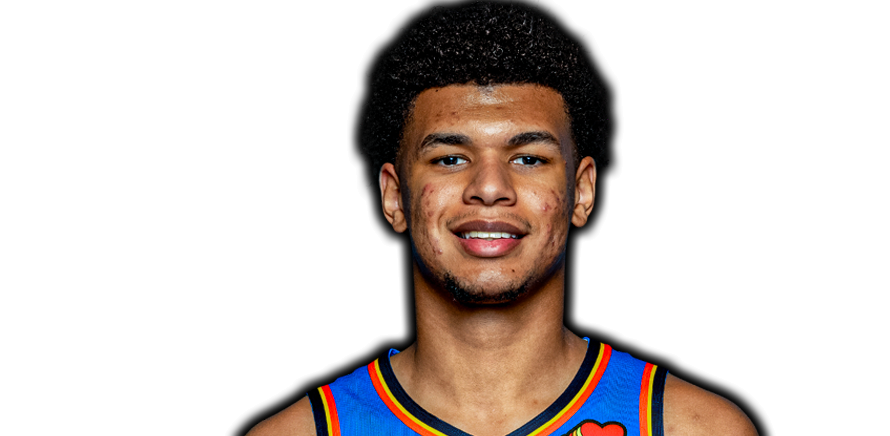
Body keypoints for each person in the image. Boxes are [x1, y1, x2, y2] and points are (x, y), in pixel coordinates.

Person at [247, 3, 757, 435]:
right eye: (450, 158)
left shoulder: (697, 427)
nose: (490, 188)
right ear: (395, 197)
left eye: (528, 158)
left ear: (581, 192)